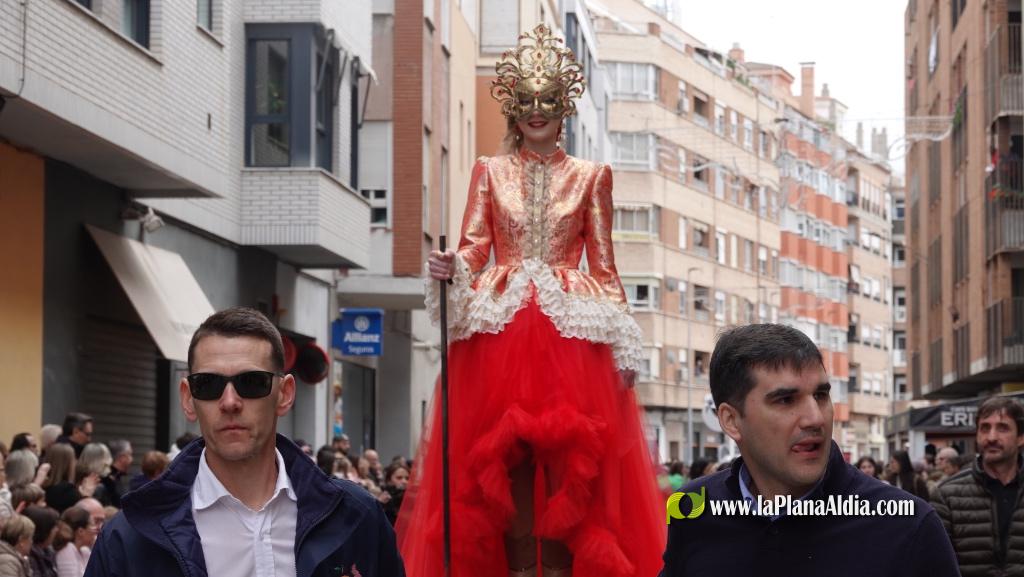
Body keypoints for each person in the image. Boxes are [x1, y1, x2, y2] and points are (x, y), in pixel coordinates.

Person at [398, 24, 663, 577]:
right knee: (504, 471)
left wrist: (624, 346)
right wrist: (451, 271)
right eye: (526, 102)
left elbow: (606, 266)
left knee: (575, 477)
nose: (536, 111)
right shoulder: (489, 172)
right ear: (513, 109)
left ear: (563, 106)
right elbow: (475, 248)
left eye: (546, 101)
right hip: (502, 334)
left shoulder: (592, 177)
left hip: (573, 339)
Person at [84, 307, 404, 576]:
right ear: (187, 398)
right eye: (208, 384)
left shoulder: (355, 516)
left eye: (251, 382)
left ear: (285, 394)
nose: (230, 401)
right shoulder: (130, 537)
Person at [659, 324, 959, 577]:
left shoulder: (907, 525)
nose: (816, 418)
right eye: (786, 400)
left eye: (821, 395)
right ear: (731, 420)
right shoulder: (692, 510)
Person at [931, 396, 1024, 575]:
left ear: (1020, 437)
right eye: (985, 428)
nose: (991, 437)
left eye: (1002, 428)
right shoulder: (947, 495)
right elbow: (935, 564)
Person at [41, 445, 96, 514]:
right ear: (68, 463)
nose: (76, 462)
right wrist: (86, 495)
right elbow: (83, 514)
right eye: (74, 459)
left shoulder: (40, 485)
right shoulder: (68, 490)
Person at [54, 507, 92, 577]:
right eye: (91, 525)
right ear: (81, 531)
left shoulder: (85, 551)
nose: (94, 530)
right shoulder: (66, 551)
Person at [22, 506, 59, 577]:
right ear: (44, 530)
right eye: (54, 527)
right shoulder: (29, 558)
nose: (57, 530)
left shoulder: (49, 551)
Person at [101, 440, 132, 508]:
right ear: (122, 457)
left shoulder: (115, 476)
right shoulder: (108, 480)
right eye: (130, 455)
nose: (131, 459)